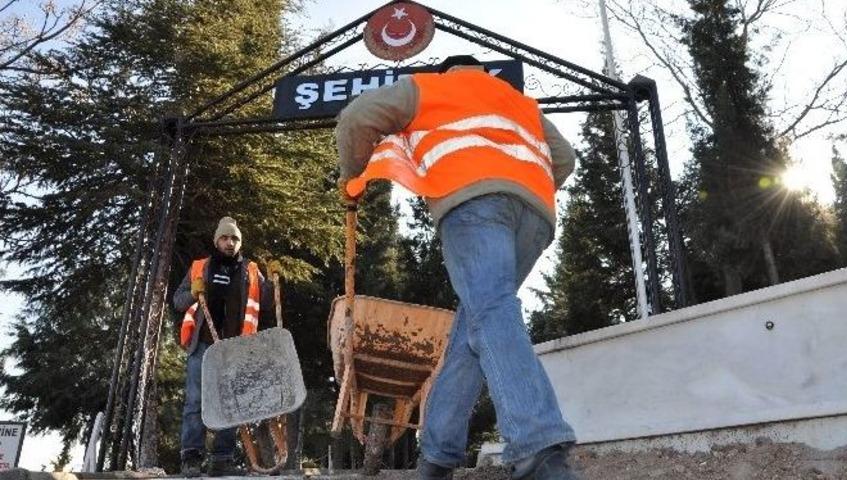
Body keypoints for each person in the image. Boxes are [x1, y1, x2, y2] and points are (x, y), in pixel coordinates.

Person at [335, 55, 580, 480]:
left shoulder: (427, 87)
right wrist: (520, 185)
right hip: (536, 216)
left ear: (446, 70)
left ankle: (538, 445)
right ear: (482, 73)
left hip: (474, 205)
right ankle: (437, 456)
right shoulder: (520, 102)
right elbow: (565, 158)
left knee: (489, 312)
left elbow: (356, 117)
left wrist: (351, 178)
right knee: (475, 326)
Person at [173, 216, 281, 477]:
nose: (229, 242)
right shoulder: (201, 267)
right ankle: (191, 458)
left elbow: (266, 304)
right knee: (196, 402)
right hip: (204, 346)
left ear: (239, 242)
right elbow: (178, 301)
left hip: (235, 348)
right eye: (224, 237)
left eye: (234, 238)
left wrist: (275, 280)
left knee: (231, 403)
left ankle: (222, 458)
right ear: (217, 241)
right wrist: (192, 293)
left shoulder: (251, 271)